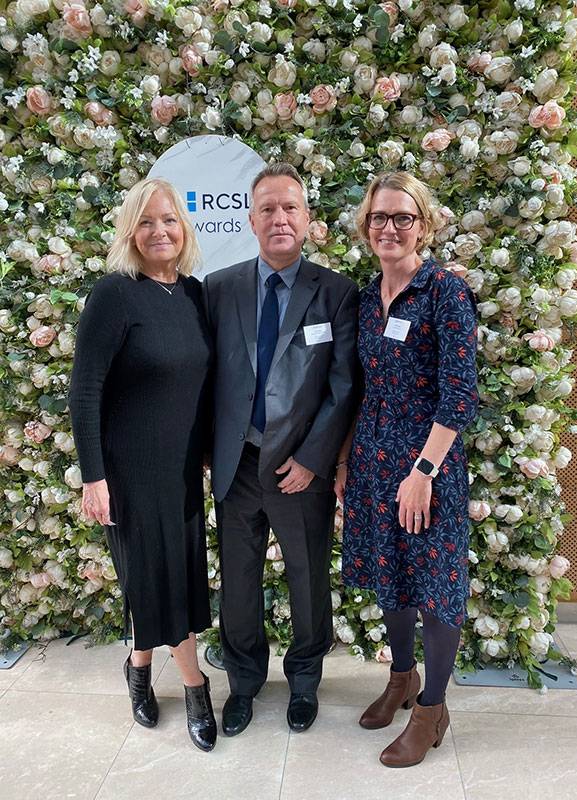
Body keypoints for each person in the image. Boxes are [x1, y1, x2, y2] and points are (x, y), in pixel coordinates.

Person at [202, 162, 358, 736]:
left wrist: (315, 459)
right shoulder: (218, 289)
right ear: (250, 219)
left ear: (308, 218)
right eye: (267, 208)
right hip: (238, 466)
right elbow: (204, 374)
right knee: (239, 583)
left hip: (301, 470)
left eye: (290, 207)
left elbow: (345, 385)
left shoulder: (337, 292)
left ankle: (305, 683)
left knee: (307, 579)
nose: (279, 218)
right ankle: (243, 683)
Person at [335, 172, 478, 768]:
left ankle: (430, 709)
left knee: (434, 587)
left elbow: (460, 393)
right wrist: (345, 458)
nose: (389, 228)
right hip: (371, 459)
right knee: (390, 574)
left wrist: (422, 471)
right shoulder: (366, 297)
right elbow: (357, 386)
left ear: (425, 223)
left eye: (402, 218)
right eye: (378, 218)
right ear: (366, 227)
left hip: (428, 466)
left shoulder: (445, 290)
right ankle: (400, 677)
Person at [69, 177, 217, 752]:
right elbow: (85, 390)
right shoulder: (114, 294)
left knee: (167, 574)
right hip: (128, 470)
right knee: (158, 576)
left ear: (185, 229)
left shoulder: (196, 294)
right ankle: (195, 684)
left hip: (180, 470)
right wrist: (93, 475)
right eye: (148, 221)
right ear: (132, 230)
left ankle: (136, 665)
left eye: (170, 220)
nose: (160, 231)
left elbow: (202, 384)